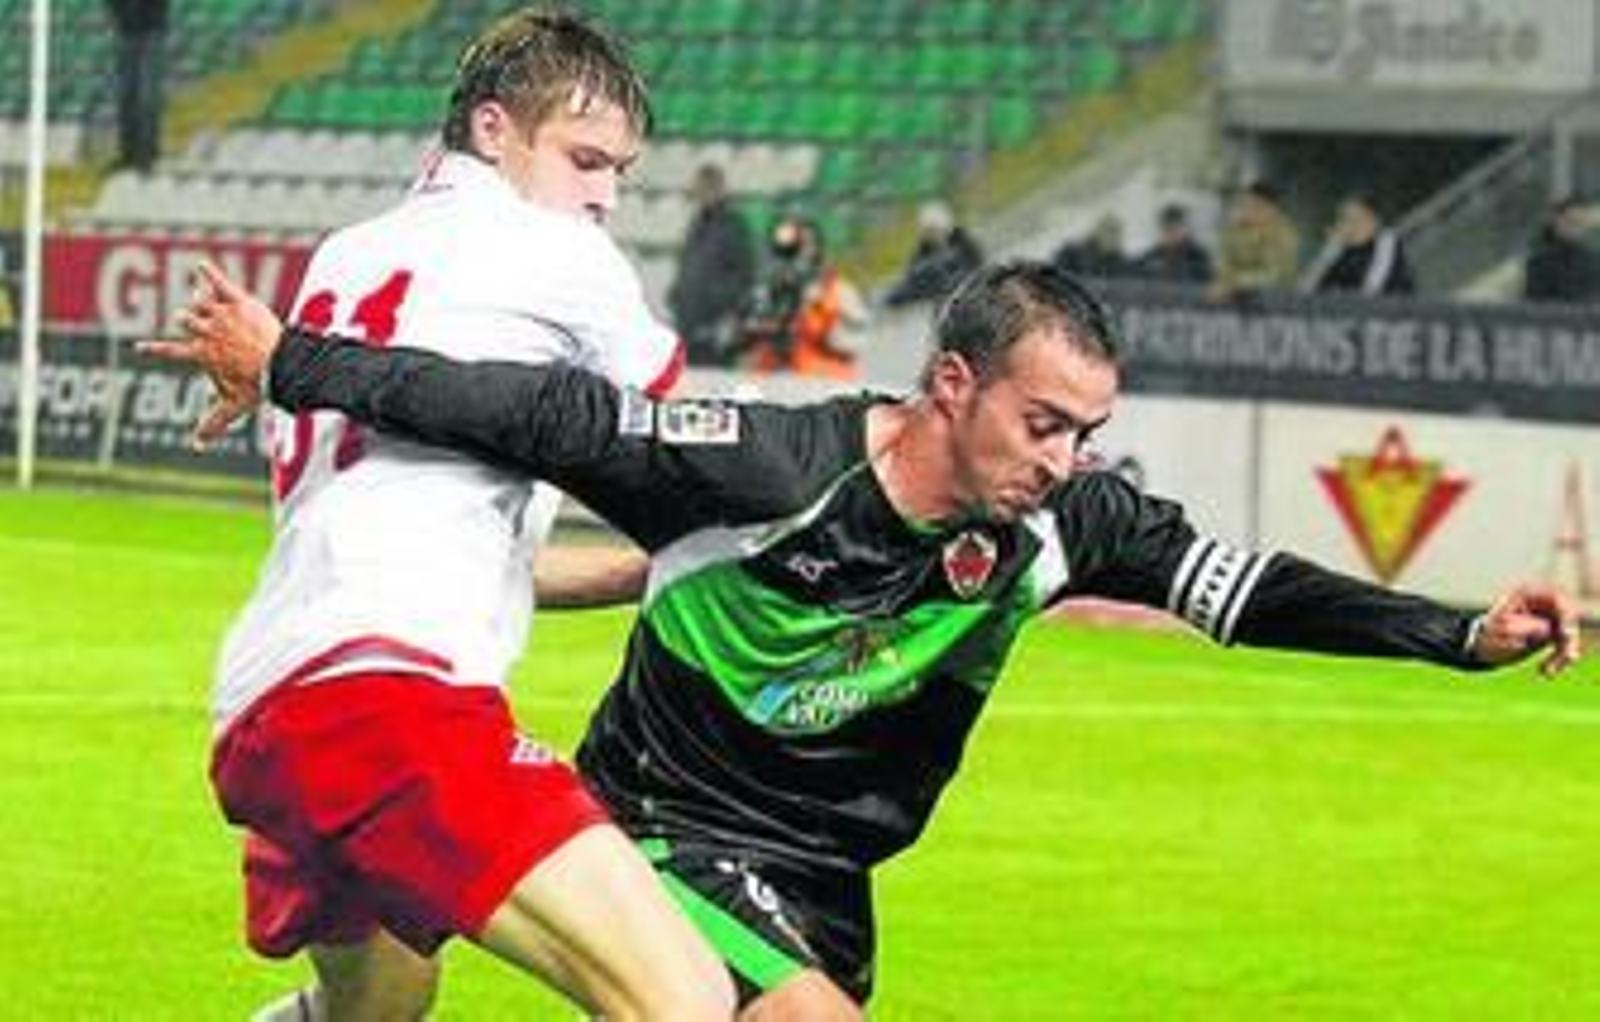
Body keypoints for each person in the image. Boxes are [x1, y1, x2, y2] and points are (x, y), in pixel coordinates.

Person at [156, 259, 1581, 1020]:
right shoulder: (771, 465)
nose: (1066, 457)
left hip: (826, 882)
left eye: (1088, 430)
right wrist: (293, 362)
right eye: (1043, 422)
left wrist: (1456, 631)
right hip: (664, 827)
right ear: (951, 383)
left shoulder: (1068, 520)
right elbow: (542, 415)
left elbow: (1249, 587)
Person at [149, 10, 735, 1021]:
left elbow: (424, 519)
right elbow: (692, 441)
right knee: (684, 1000)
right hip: (388, 701)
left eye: (620, 173)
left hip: (272, 702)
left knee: (378, 1007)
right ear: (493, 128)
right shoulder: (557, 252)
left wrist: (644, 572)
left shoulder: (343, 258)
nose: (604, 194)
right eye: (585, 159)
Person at [737, 212, 869, 380]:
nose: (799, 256)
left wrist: (812, 312)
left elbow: (854, 340)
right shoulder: (767, 291)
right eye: (790, 251)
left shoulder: (837, 290)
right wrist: (758, 327)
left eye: (805, 246)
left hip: (824, 383)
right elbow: (744, 340)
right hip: (773, 383)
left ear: (818, 249)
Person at [667, 163, 756, 367]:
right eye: (699, 187)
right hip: (688, 319)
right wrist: (677, 292)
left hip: (714, 323)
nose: (700, 193)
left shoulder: (734, 225)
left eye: (706, 187)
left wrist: (723, 306)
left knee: (713, 377)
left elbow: (745, 273)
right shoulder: (697, 222)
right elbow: (688, 263)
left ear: (720, 189)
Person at [1300, 193, 1416, 297]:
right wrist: (1329, 251)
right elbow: (1303, 291)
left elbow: (1371, 291)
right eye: (1344, 220)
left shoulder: (1387, 241)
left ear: (1373, 220)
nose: (1349, 226)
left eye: (1356, 219)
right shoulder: (1342, 251)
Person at [1209, 181, 1301, 302]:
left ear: (1272, 209)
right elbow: (1222, 267)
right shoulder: (1233, 231)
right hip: (1233, 298)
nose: (1246, 210)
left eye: (1256, 206)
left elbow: (1274, 277)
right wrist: (1225, 282)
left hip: (1275, 301)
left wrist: (1235, 283)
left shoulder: (1283, 233)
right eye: (1243, 205)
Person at [882, 200, 985, 307]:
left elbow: (977, 268)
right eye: (929, 231)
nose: (933, 235)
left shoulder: (963, 241)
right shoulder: (924, 248)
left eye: (935, 230)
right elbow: (911, 275)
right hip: (933, 290)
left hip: (961, 288)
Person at [106, 0, 169, 171]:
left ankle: (148, 153)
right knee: (125, 96)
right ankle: (128, 154)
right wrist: (117, 15)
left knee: (147, 96)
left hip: (151, 31)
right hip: (126, 31)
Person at [1523, 197, 1600, 304]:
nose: (1574, 229)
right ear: (1556, 222)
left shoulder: (1594, 261)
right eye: (1570, 222)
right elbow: (1535, 302)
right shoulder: (1538, 262)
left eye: (1579, 223)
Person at [1132, 202, 1212, 285]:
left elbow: (1205, 283)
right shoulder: (1153, 256)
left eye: (1175, 229)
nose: (1171, 235)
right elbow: (1135, 268)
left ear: (1185, 230)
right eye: (1167, 230)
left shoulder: (1198, 257)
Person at [1051, 213, 1130, 280]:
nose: (1111, 237)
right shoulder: (1071, 253)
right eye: (1108, 231)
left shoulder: (1119, 264)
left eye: (1115, 232)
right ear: (1097, 231)